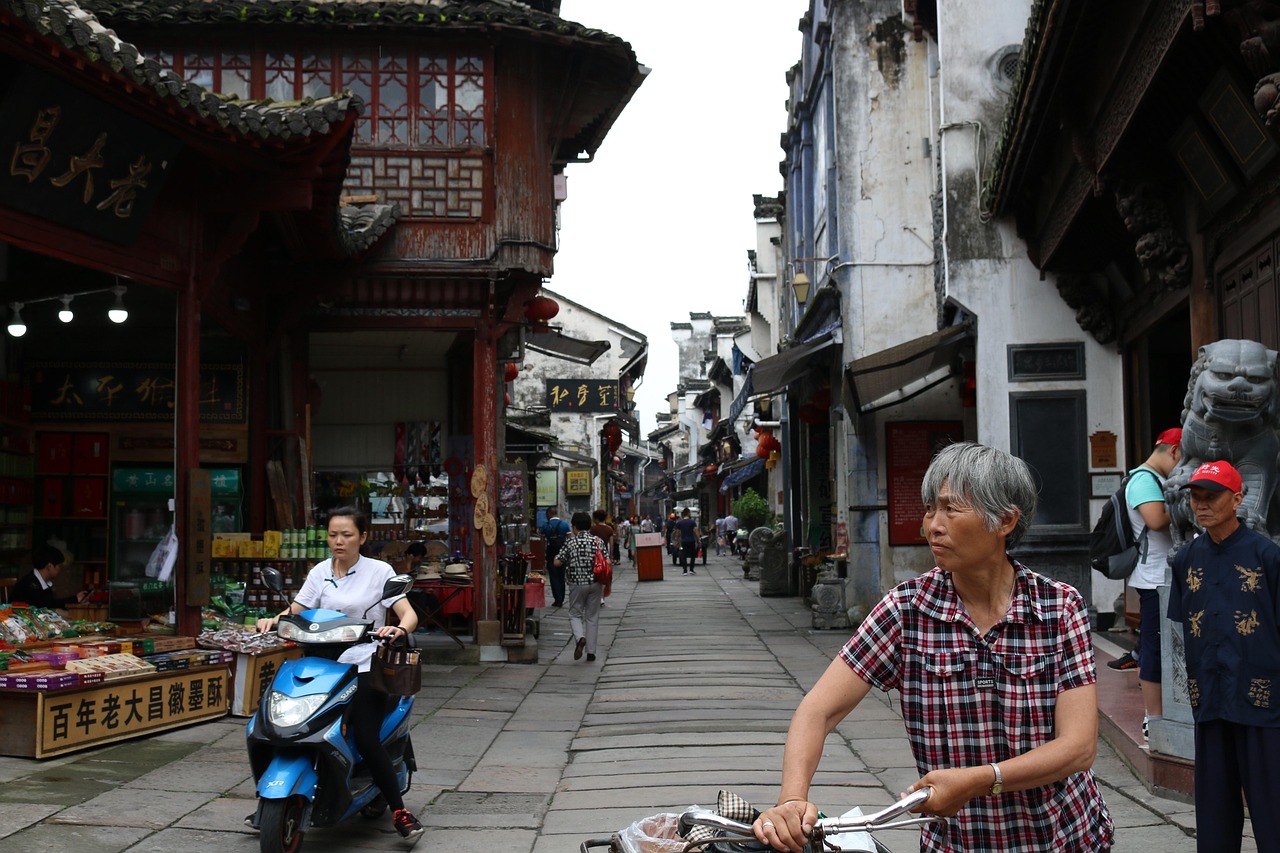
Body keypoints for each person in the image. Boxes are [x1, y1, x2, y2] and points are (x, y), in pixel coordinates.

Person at [752, 442, 1112, 853]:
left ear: (1005, 520)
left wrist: (979, 780)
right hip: (956, 843)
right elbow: (818, 710)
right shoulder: (906, 610)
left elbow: (1078, 747)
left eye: (951, 509)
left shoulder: (1057, 607)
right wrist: (791, 799)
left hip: (1064, 838)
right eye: (929, 510)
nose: (932, 526)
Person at [254, 506, 425, 843]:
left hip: (363, 665)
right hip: (320, 663)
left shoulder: (379, 571)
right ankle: (274, 801)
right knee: (279, 724)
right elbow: (298, 608)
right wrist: (274, 619)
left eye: (347, 535)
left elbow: (408, 613)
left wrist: (399, 629)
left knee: (366, 737)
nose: (339, 541)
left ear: (362, 537)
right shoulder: (320, 571)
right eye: (333, 535)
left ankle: (399, 811)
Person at [1169, 460, 1280, 853]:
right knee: (1214, 805)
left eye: (1212, 497)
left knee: (1272, 804)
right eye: (1196, 497)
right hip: (1210, 694)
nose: (1201, 505)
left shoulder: (1267, 556)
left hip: (1261, 698)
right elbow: (1181, 627)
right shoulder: (1186, 559)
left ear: (1237, 499)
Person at [1106, 427, 1181, 741]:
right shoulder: (1143, 480)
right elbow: (1156, 520)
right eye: (1183, 458)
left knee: (1161, 646)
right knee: (1153, 648)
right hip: (1154, 579)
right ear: (1174, 451)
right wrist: (1189, 502)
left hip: (1165, 576)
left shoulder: (1157, 479)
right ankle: (1153, 717)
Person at [554, 511, 605, 662]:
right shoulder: (598, 541)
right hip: (595, 582)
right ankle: (591, 652)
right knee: (592, 616)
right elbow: (607, 561)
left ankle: (580, 637)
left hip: (576, 583)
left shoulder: (570, 542)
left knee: (575, 614)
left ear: (574, 526)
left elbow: (557, 562)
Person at [13, 545, 87, 610]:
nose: (60, 569)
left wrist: (75, 599)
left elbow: (50, 603)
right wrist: (73, 600)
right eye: (59, 566)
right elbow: (46, 607)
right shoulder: (30, 584)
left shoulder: (41, 582)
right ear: (50, 566)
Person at [540, 508, 570, 607]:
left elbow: (542, 542)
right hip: (562, 552)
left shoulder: (545, 526)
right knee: (561, 575)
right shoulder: (565, 525)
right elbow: (569, 539)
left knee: (553, 576)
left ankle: (557, 598)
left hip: (551, 553)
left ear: (549, 514)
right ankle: (561, 597)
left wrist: (543, 554)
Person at [675, 508, 699, 575]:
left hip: (684, 541)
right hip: (691, 540)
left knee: (683, 555)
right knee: (692, 555)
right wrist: (698, 539)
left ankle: (685, 571)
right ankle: (691, 569)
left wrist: (677, 540)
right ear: (688, 513)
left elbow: (677, 532)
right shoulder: (692, 522)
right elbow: (695, 531)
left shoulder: (680, 523)